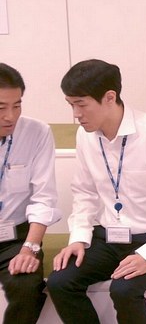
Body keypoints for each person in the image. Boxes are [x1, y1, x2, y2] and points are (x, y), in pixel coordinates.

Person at [47, 59, 146, 324]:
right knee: (59, 282)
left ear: (110, 97)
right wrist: (78, 238)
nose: (76, 114)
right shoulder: (85, 136)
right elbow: (84, 193)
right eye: (71, 105)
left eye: (81, 104)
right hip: (105, 238)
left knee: (123, 290)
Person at [0, 63, 61, 324]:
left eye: (17, 105)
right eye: (1, 108)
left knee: (26, 288)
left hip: (17, 237)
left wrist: (30, 248)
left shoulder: (37, 132)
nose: (10, 116)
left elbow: (43, 197)